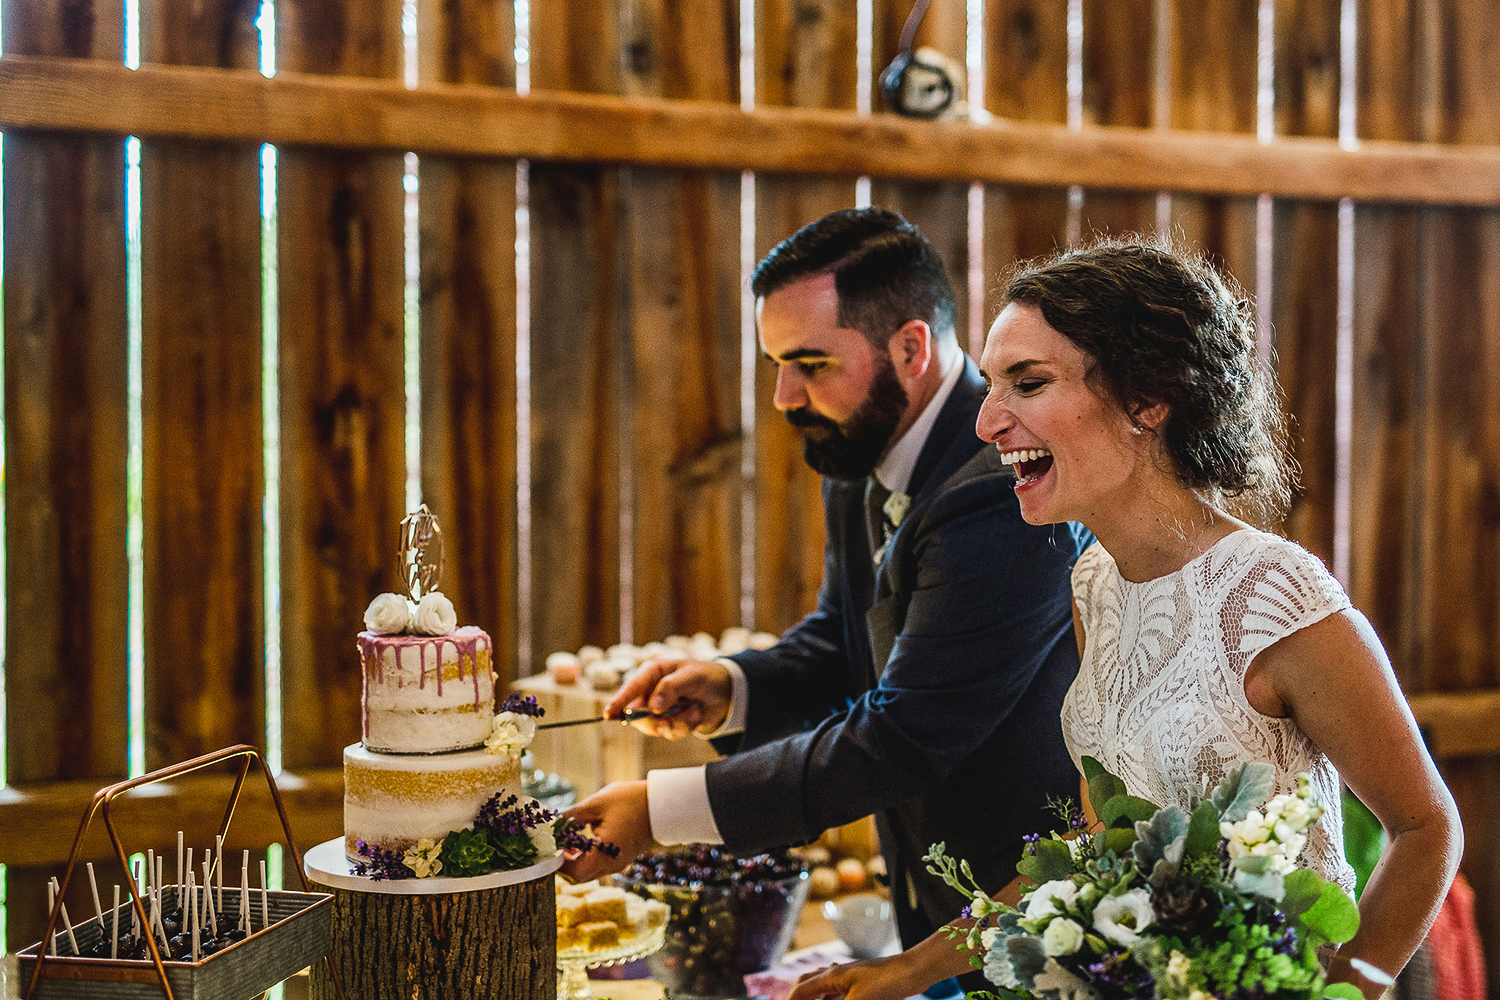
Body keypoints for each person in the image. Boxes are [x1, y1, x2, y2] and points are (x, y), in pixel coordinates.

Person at [787, 237, 1463, 1000]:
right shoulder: (1094, 586)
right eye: (991, 385)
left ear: (1147, 398)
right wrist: (904, 973)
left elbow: (1427, 827)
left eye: (1028, 383)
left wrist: (1345, 992)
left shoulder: (1276, 597)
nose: (986, 423)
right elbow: (1099, 846)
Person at [561, 208, 1091, 994]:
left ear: (910, 348)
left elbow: (905, 734)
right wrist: (734, 685)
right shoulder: (861, 451)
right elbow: (850, 642)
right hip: (935, 900)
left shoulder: (1002, 486)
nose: (783, 396)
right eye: (777, 363)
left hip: (1034, 917)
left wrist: (660, 810)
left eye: (809, 362)